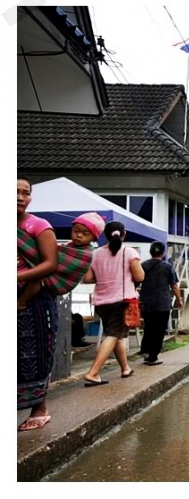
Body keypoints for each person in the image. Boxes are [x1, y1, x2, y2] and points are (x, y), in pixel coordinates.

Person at [17, 176, 59, 431]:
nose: (21, 197)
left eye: (26, 192)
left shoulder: (38, 225)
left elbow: (50, 263)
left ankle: (39, 407)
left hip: (32, 298)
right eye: (15, 191)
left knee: (34, 352)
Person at [82, 221, 144, 386]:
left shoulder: (95, 254)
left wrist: (103, 275)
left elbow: (87, 278)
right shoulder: (129, 252)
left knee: (115, 334)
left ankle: (125, 368)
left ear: (106, 236)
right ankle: (93, 373)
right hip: (122, 302)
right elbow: (140, 277)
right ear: (124, 234)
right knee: (114, 335)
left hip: (102, 303)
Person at [17, 212, 105, 310]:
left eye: (85, 234)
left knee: (36, 280)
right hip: (48, 280)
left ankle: (21, 302)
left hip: (59, 282)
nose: (79, 235)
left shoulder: (86, 253)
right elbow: (55, 253)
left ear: (94, 238)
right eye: (76, 231)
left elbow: (58, 262)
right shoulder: (70, 245)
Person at [139, 241, 183, 366]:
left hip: (147, 303)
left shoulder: (143, 265)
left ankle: (146, 352)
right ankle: (153, 357)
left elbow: (136, 281)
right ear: (163, 253)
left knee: (148, 327)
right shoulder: (167, 266)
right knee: (159, 330)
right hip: (162, 303)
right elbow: (174, 286)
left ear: (150, 252)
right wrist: (179, 299)